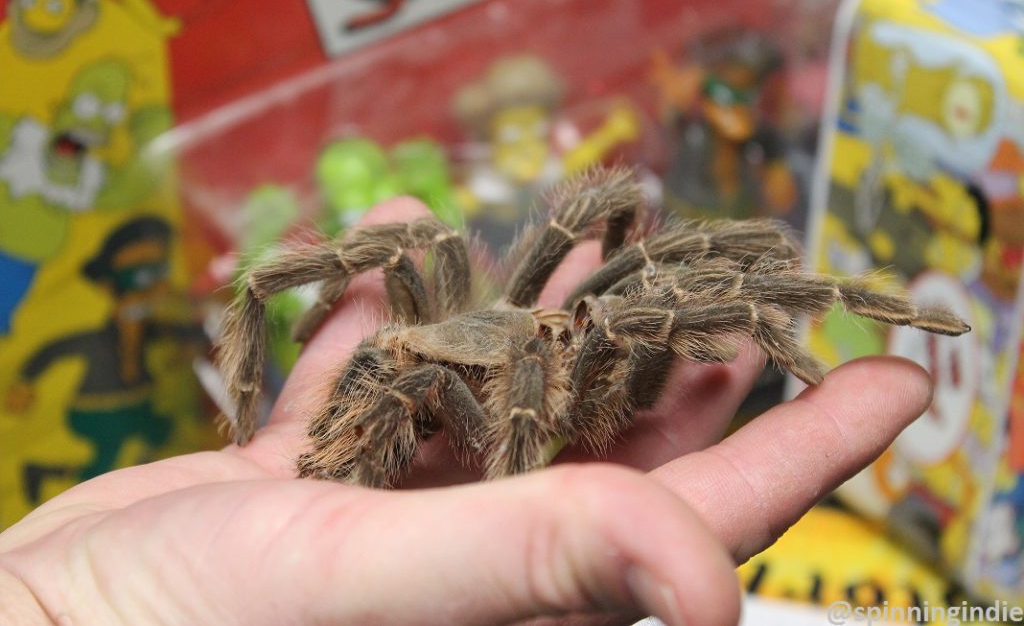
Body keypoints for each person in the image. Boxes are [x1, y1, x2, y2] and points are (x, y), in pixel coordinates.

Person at [0, 197, 935, 626]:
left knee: (531, 263)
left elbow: (607, 243)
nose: (593, 321)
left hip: (425, 370)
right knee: (456, 257)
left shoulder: (567, 318)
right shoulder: (519, 343)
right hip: (412, 400)